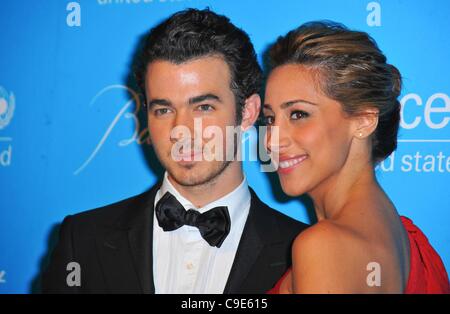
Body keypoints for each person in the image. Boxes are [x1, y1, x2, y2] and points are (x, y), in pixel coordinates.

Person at [41, 8, 308, 294]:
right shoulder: (83, 240)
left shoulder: (302, 252)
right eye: (164, 109)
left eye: (203, 107)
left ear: (247, 112)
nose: (180, 130)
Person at [263, 21, 450, 294]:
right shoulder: (402, 237)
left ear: (363, 120)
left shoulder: (324, 248)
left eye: (298, 114)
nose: (272, 140)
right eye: (269, 118)